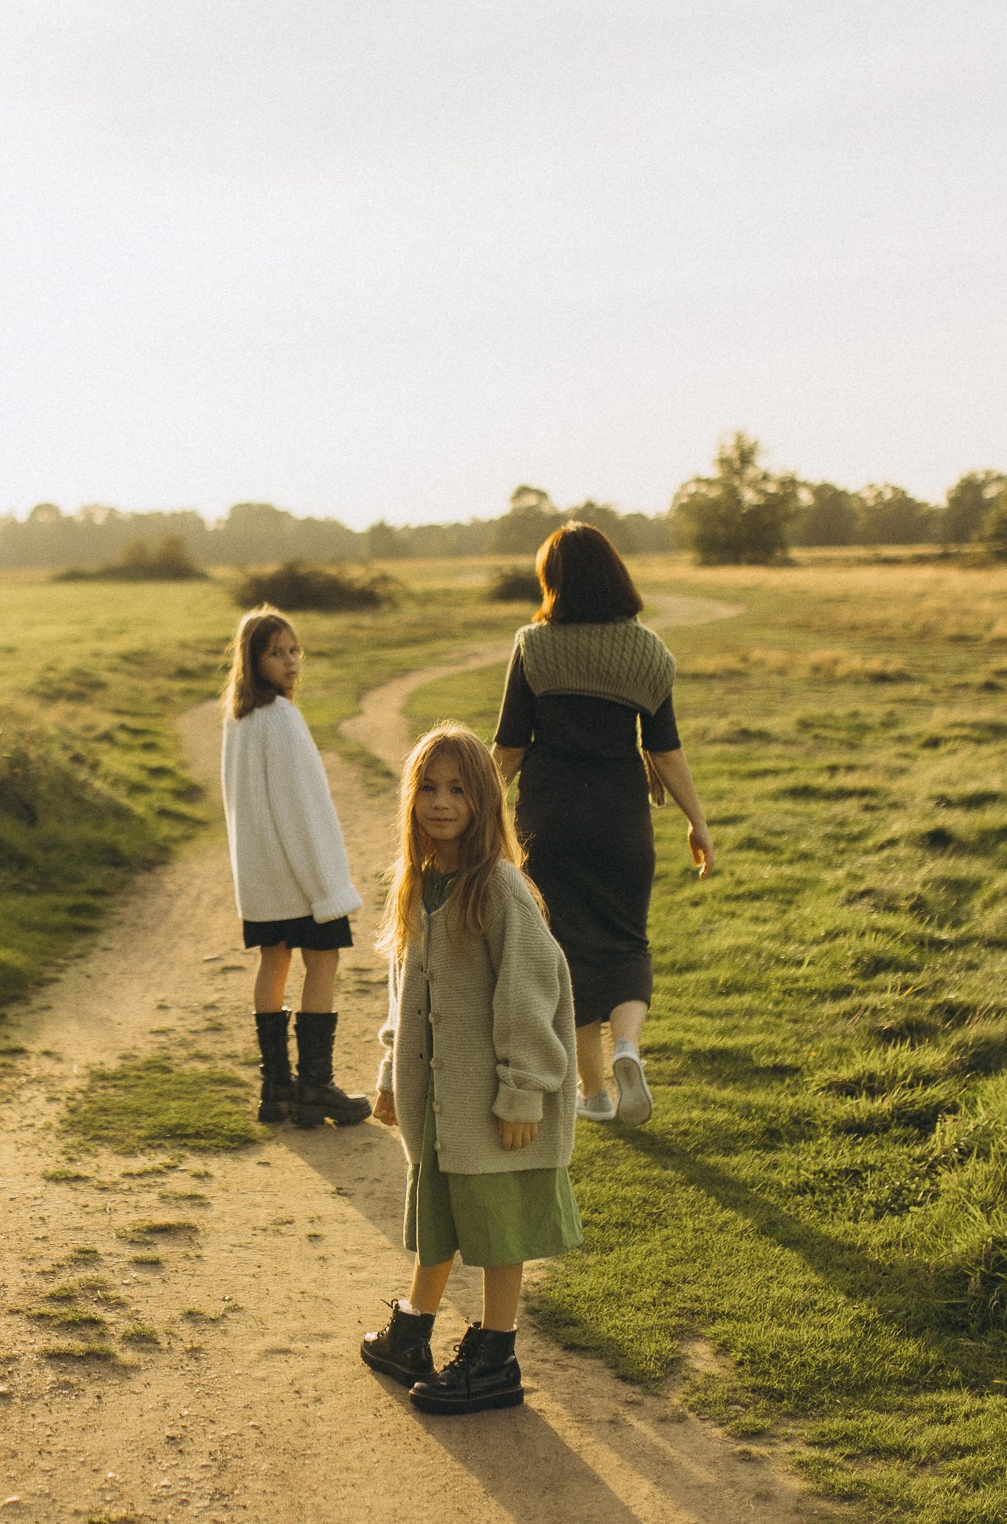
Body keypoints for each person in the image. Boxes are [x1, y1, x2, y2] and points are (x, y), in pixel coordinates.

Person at [358, 722, 579, 1414]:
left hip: (491, 1104)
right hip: (438, 1103)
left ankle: (495, 1353)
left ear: (484, 799)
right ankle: (413, 1332)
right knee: (441, 1214)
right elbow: (405, 992)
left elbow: (531, 993)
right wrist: (392, 1070)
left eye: (457, 788)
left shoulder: (499, 888)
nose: (441, 801)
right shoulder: (419, 884)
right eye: (427, 787)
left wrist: (521, 1092)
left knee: (496, 1223)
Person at [490, 524, 713, 1127]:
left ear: (554, 582)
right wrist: (698, 822)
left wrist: (477, 808)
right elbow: (665, 750)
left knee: (565, 952)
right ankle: (627, 1050)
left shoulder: (534, 646)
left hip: (549, 821)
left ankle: (591, 1097)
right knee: (627, 940)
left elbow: (509, 748)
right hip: (621, 819)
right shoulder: (650, 652)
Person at [220, 605, 370, 1128]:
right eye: (276, 652)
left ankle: (275, 1089)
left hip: (263, 878)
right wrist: (328, 886)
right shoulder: (280, 718)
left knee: (274, 961)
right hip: (300, 877)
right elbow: (301, 810)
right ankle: (315, 1086)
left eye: (293, 650)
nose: (290, 662)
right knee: (321, 962)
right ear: (253, 659)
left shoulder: (239, 718)